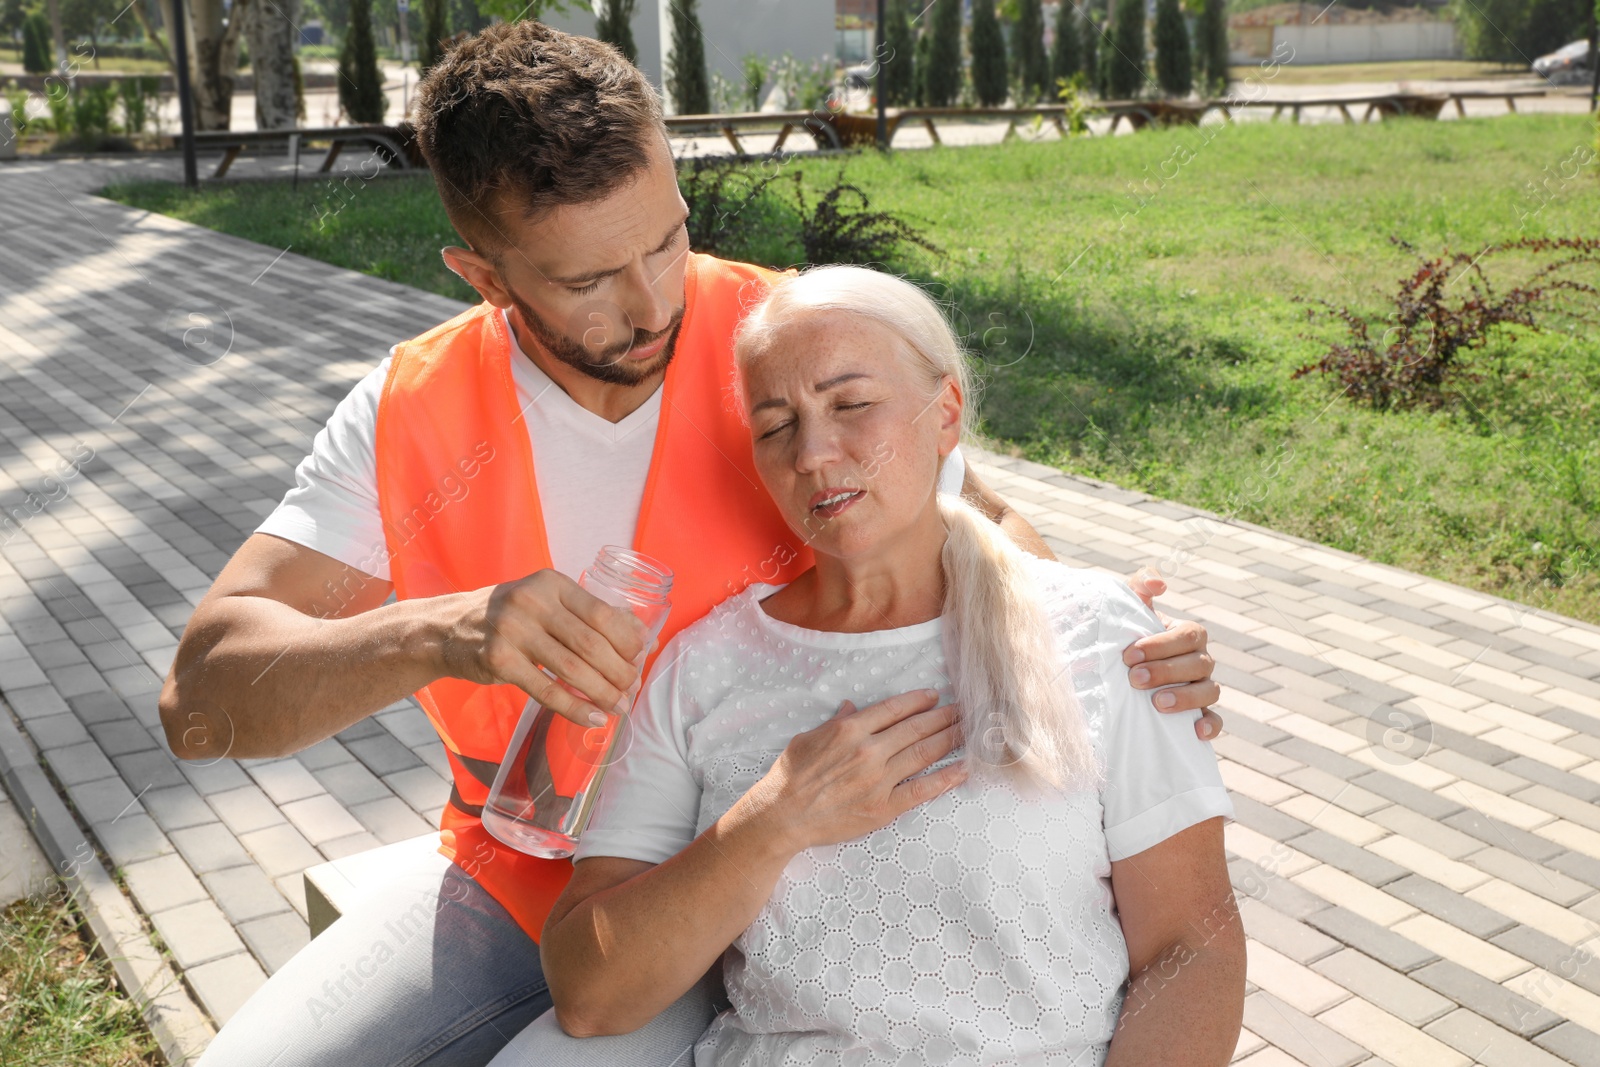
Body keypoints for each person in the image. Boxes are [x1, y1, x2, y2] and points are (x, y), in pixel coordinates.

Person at [160, 21, 1224, 1067]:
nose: (655, 302)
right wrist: (442, 630)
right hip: (546, 887)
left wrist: (1106, 641)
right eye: (587, 281)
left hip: (810, 883)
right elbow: (203, 701)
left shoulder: (780, 343)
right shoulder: (411, 414)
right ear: (484, 277)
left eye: (666, 236)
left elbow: (977, 523)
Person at [528, 266, 1245, 1066]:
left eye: (851, 404)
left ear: (944, 414)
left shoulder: (1100, 635)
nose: (812, 452)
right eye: (775, 425)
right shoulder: (702, 665)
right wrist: (772, 821)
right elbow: (589, 992)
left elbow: (1192, 948)